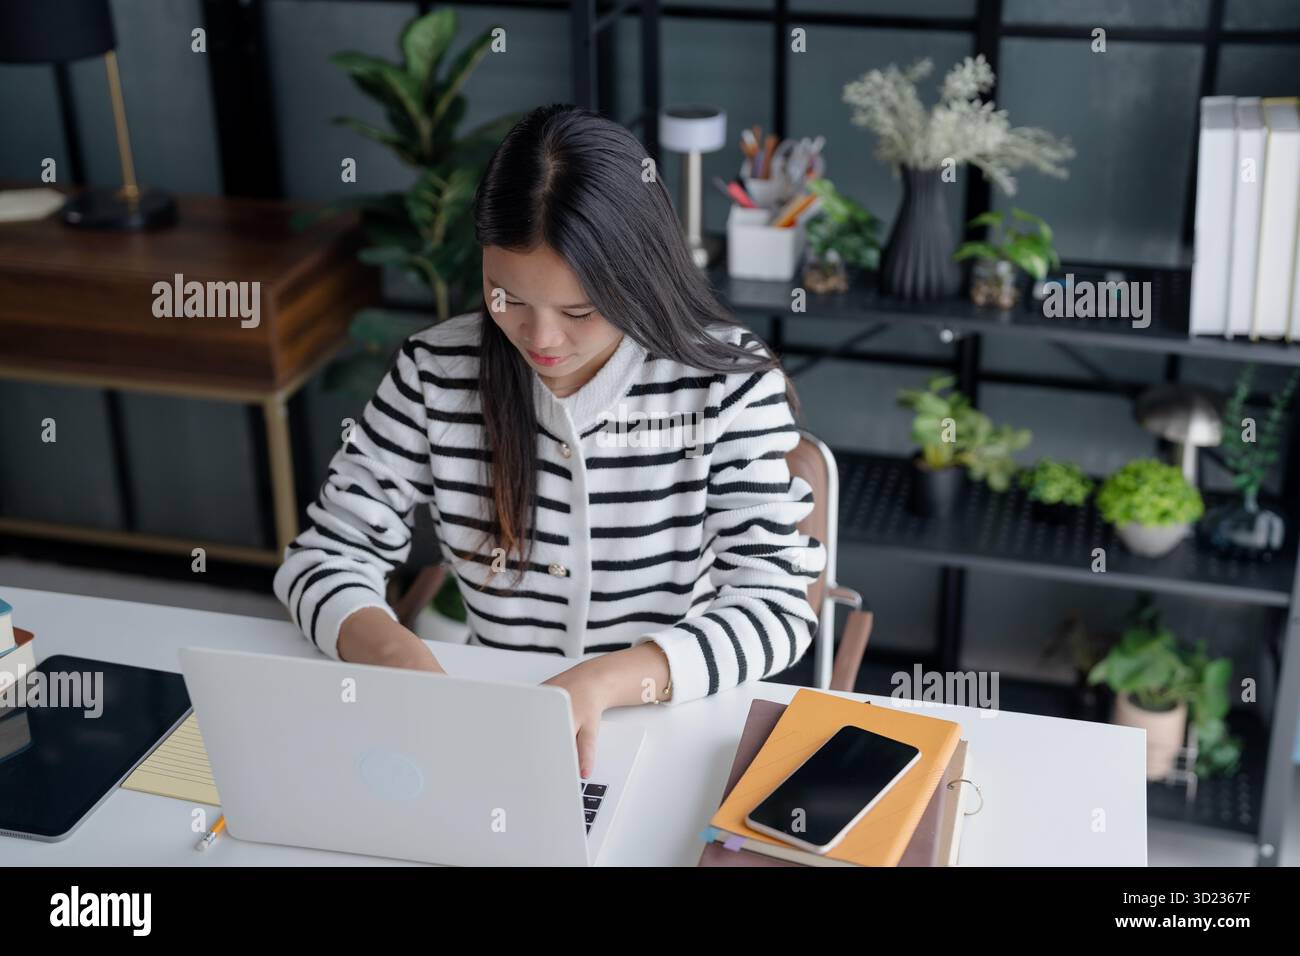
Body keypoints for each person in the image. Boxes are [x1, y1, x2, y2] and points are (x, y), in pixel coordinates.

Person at [274, 103, 826, 777]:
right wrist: (403, 663)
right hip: (490, 722)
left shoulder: (724, 387)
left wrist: (600, 683)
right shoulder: (435, 372)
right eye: (505, 297)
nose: (540, 340)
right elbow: (324, 557)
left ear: (638, 278)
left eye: (579, 312)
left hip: (672, 725)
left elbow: (775, 608)